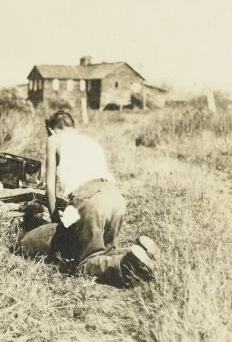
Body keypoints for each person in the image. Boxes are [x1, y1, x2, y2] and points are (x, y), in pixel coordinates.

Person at [19, 110, 159, 287]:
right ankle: (141, 254)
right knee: (106, 250)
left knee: (84, 262)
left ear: (51, 130)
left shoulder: (53, 139)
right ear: (75, 128)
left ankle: (125, 266)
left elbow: (50, 186)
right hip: (115, 198)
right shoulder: (92, 142)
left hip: (90, 198)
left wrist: (56, 218)